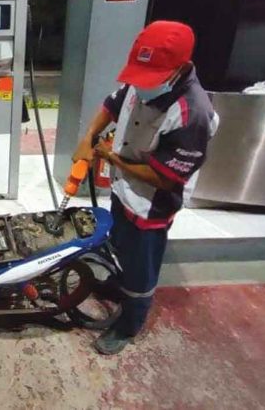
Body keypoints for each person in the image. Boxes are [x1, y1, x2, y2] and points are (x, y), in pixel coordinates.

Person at [72, 20, 219, 355]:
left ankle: (129, 324)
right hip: (124, 191)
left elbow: (166, 178)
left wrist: (111, 157)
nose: (141, 85)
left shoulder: (192, 114)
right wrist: (88, 137)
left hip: (152, 203)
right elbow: (112, 104)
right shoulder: (146, 79)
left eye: (149, 79)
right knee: (119, 243)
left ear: (180, 69)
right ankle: (118, 284)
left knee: (142, 267)